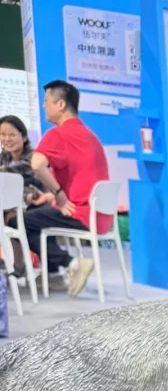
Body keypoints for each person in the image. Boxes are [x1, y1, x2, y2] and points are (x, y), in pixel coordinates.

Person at [25, 80, 111, 298]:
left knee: (19, 220)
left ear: (60, 104)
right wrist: (51, 197)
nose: (43, 106)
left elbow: (37, 164)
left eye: (46, 101)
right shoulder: (90, 136)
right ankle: (54, 275)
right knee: (39, 215)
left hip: (80, 214)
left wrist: (59, 196)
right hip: (100, 217)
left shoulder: (59, 134)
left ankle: (71, 263)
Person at [0, 114, 40, 276]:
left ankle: (17, 265)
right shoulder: (4, 157)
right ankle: (14, 265)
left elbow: (9, 176)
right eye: (2, 134)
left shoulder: (33, 157)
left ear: (24, 137)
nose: (7, 139)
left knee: (10, 217)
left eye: (12, 134)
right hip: (10, 204)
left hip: (35, 202)